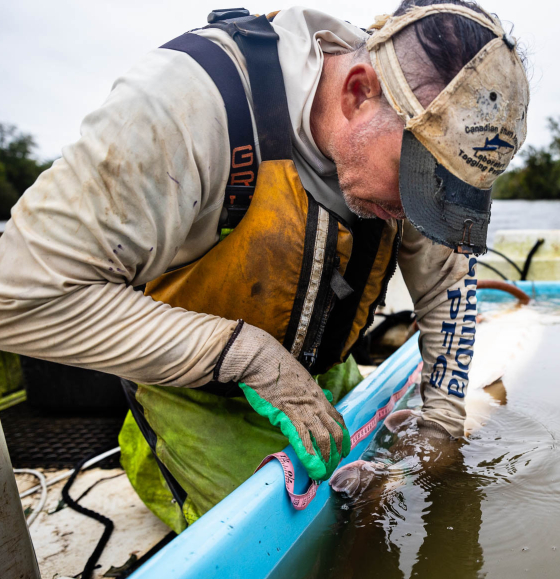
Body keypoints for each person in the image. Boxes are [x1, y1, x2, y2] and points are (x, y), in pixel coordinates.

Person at [0, 0, 528, 532]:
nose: (420, 211)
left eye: (444, 191)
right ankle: (154, 457)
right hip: (196, 394)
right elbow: (17, 296)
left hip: (322, 370)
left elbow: (446, 286)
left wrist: (441, 419)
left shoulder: (411, 141)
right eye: (413, 175)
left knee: (378, 515)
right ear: (358, 93)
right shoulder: (181, 105)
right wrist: (245, 356)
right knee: (308, 544)